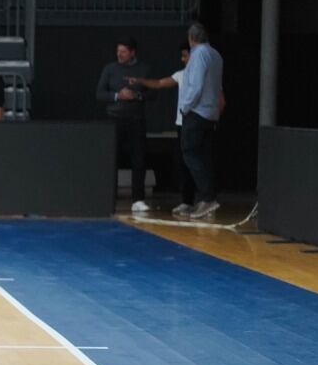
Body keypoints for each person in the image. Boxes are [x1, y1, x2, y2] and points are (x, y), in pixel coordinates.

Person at [130, 41, 226, 217]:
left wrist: (213, 120)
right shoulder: (182, 75)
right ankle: (188, 201)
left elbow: (220, 100)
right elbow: (160, 83)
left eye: (185, 55)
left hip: (199, 122)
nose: (183, 60)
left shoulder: (206, 77)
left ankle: (207, 199)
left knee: (200, 162)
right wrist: (141, 81)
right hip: (183, 124)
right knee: (186, 164)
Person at [94, 38, 153, 212]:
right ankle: (109, 196)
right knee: (113, 158)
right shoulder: (110, 69)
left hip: (136, 119)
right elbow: (99, 93)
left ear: (132, 52)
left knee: (138, 159)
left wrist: (137, 96)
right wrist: (118, 95)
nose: (119, 54)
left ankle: (138, 199)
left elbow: (153, 94)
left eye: (124, 51)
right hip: (114, 119)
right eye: (118, 51)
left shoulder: (144, 69)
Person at [173, 23, 223, 219]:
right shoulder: (216, 55)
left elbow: (196, 85)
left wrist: (185, 106)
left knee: (190, 154)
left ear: (191, 38)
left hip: (197, 112)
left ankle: (208, 197)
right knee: (203, 156)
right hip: (211, 113)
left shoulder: (198, 55)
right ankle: (205, 198)